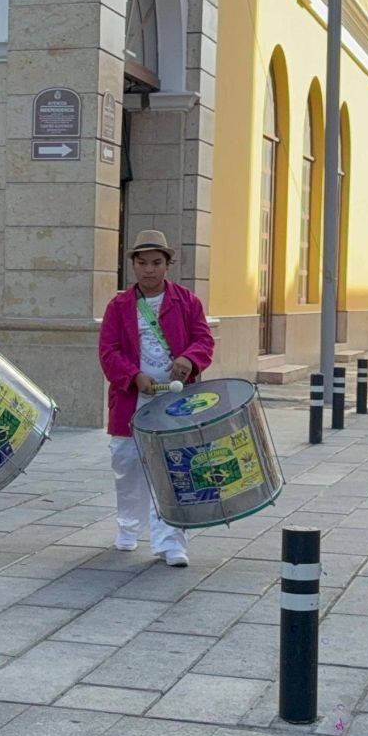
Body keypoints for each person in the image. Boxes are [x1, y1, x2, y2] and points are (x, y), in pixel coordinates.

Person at [98, 230, 215, 569]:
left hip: (176, 402)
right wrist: (133, 376)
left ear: (168, 265)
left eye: (157, 263)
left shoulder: (187, 302)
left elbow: (204, 341)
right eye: (143, 263)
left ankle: (171, 541)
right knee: (127, 464)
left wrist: (190, 359)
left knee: (174, 467)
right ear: (132, 265)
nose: (149, 270)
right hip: (131, 398)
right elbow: (108, 351)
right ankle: (128, 527)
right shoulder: (119, 306)